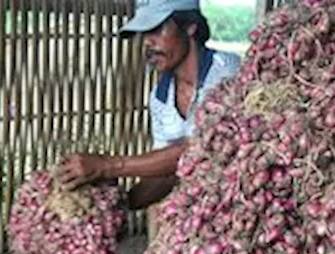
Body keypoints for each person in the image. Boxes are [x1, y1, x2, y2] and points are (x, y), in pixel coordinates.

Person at [54, 0, 241, 221]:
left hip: (241, 209)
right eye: (143, 33)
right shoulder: (160, 99)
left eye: (156, 29)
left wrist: (107, 166)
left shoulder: (230, 74)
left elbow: (205, 148)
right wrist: (110, 206)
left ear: (190, 26)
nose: (147, 43)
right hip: (205, 220)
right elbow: (169, 172)